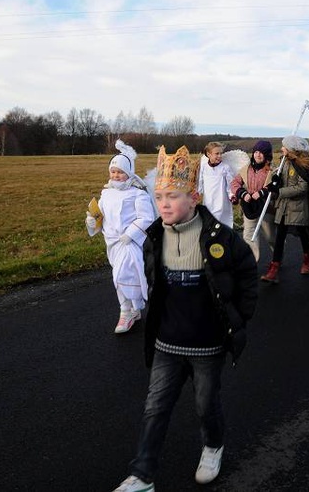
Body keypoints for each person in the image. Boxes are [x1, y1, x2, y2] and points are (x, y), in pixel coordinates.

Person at [113, 145, 258, 492]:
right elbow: (154, 283)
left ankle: (213, 446)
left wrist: (236, 319)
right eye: (159, 196)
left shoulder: (222, 239)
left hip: (207, 344)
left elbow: (247, 280)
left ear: (194, 198)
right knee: (155, 407)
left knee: (205, 404)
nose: (163, 203)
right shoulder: (154, 237)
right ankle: (142, 474)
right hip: (166, 342)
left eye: (173, 196)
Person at [85, 139, 156, 334]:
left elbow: (146, 217)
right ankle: (133, 309)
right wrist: (92, 221)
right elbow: (100, 215)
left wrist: (130, 234)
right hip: (113, 243)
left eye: (120, 172)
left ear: (129, 173)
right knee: (121, 274)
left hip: (130, 243)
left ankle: (125, 312)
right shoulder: (106, 193)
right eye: (113, 171)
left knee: (121, 276)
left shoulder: (137, 194)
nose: (116, 175)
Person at [261, 135, 309, 283]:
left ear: (291, 149)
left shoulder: (303, 165)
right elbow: (280, 178)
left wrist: (280, 192)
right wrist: (275, 180)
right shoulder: (284, 162)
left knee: (304, 235)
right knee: (280, 236)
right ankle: (274, 269)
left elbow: (302, 188)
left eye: (284, 146)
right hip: (283, 207)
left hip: (299, 207)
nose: (282, 148)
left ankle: (306, 259)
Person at [230, 140, 276, 262]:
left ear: (266, 155)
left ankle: (277, 260)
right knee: (249, 235)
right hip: (249, 208)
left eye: (261, 153)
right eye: (256, 152)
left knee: (271, 237)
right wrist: (242, 193)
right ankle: (252, 262)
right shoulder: (246, 169)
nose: (258, 155)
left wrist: (261, 193)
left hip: (266, 208)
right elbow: (234, 183)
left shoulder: (272, 170)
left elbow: (275, 187)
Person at [198, 142, 236, 228]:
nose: (219, 156)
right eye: (217, 154)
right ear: (209, 154)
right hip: (209, 201)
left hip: (222, 202)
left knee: (222, 224)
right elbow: (200, 182)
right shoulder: (204, 167)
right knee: (209, 223)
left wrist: (232, 195)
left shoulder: (225, 168)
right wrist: (197, 193)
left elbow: (230, 185)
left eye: (221, 153)